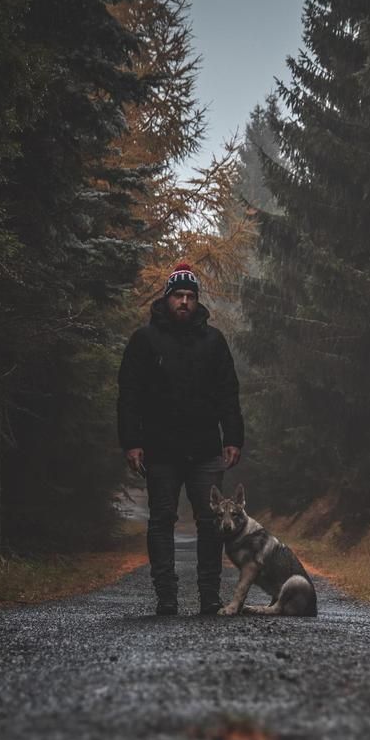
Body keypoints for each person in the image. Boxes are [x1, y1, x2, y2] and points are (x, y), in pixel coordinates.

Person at [117, 263, 244, 615]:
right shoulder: (145, 340)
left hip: (205, 448)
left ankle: (209, 596)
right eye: (179, 296)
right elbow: (129, 393)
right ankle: (166, 596)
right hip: (160, 448)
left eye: (190, 296)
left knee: (211, 521)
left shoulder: (214, 341)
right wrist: (131, 441)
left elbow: (228, 394)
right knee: (161, 520)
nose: (184, 302)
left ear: (196, 301)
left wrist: (233, 438)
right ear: (168, 298)